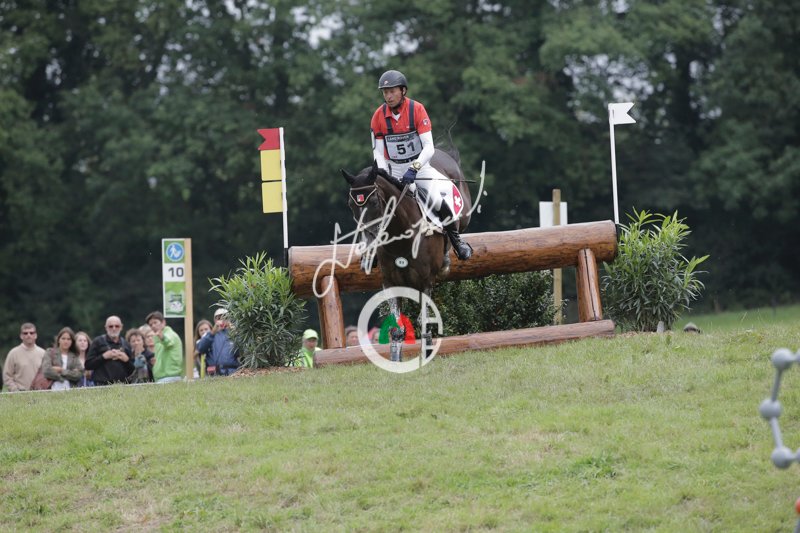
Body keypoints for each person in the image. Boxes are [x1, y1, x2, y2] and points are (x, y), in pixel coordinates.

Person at [371, 69, 472, 261]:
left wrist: (414, 168)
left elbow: (428, 147)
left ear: (403, 91)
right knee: (377, 203)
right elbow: (378, 151)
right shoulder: (378, 116)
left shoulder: (416, 110)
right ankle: (374, 248)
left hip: (420, 166)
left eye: (392, 91)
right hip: (393, 168)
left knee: (437, 199)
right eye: (385, 92)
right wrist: (384, 174)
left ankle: (456, 241)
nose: (388, 96)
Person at [85, 316, 134, 386]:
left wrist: (126, 360)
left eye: (117, 326)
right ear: (106, 328)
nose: (114, 328)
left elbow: (133, 369)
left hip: (123, 385)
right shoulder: (97, 342)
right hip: (101, 385)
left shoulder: (126, 344)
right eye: (111, 326)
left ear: (121, 327)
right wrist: (103, 357)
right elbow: (88, 365)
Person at [2, 322, 46, 392]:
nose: (29, 335)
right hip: (19, 394)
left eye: (31, 333)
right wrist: (15, 390)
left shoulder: (43, 353)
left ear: (36, 335)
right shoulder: (13, 353)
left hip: (39, 394)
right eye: (25, 333)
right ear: (21, 336)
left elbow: (47, 375)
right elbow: (7, 375)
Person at [195, 308, 239, 376]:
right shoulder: (209, 335)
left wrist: (235, 332)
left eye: (225, 318)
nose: (222, 320)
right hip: (214, 374)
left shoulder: (234, 334)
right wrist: (212, 333)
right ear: (215, 320)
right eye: (219, 318)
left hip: (232, 372)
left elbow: (241, 352)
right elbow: (201, 348)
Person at [146, 311, 184, 383]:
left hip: (169, 377)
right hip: (162, 377)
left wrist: (163, 338)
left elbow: (168, 342)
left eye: (155, 322)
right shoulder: (157, 336)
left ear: (163, 322)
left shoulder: (170, 334)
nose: (153, 326)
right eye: (150, 325)